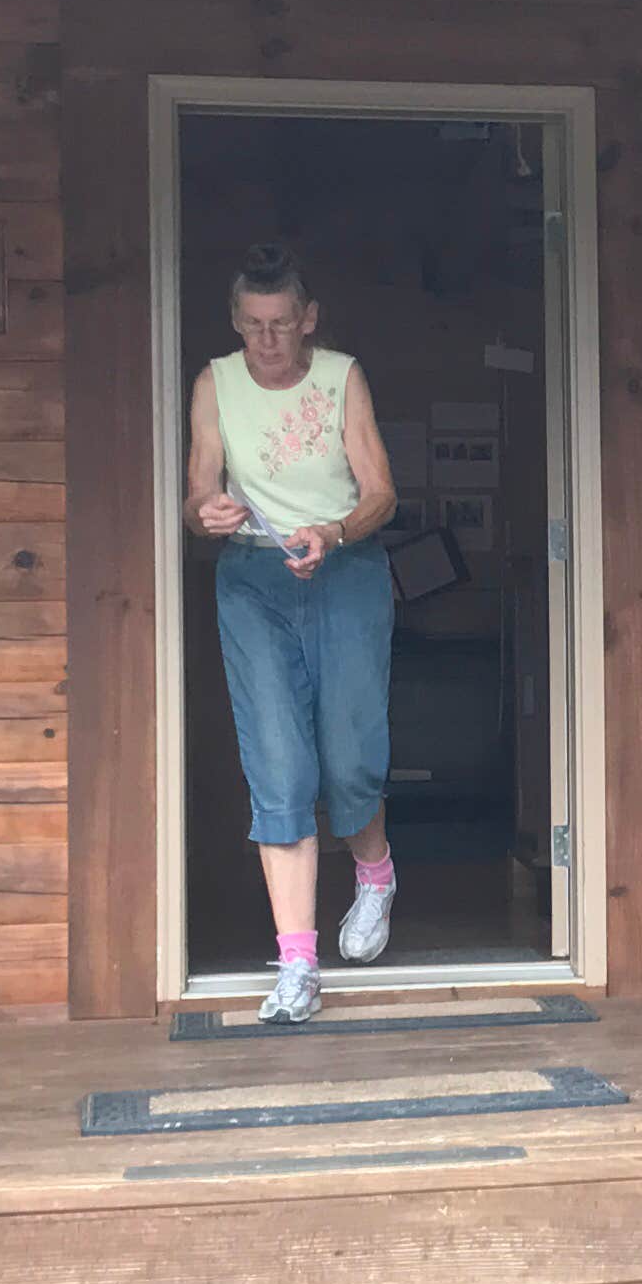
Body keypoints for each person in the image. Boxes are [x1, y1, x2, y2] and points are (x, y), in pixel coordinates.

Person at [184, 241, 401, 1025]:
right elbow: (197, 490)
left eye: (281, 324)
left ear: (308, 320)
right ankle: (299, 965)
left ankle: (373, 872)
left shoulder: (343, 378)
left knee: (349, 755)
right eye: (253, 325)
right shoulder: (214, 382)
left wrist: (334, 532)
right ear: (236, 321)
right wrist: (205, 513)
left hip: (343, 568)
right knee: (278, 762)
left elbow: (381, 492)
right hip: (252, 580)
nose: (267, 341)